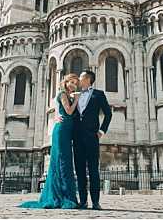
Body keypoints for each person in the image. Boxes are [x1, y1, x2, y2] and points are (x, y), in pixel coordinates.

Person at [19, 74, 80, 209]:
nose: (73, 85)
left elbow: (64, 112)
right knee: (62, 161)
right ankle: (62, 196)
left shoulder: (69, 96)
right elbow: (69, 112)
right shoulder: (63, 94)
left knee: (64, 162)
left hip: (67, 131)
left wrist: (62, 113)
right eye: (71, 82)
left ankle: (64, 194)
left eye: (75, 83)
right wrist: (76, 100)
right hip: (62, 131)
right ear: (65, 82)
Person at [72, 70, 112, 210]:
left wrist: (102, 131)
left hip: (92, 137)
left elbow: (108, 113)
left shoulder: (98, 94)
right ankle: (83, 201)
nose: (78, 80)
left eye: (81, 77)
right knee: (80, 170)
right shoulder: (74, 95)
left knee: (94, 170)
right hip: (77, 138)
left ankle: (95, 201)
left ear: (88, 79)